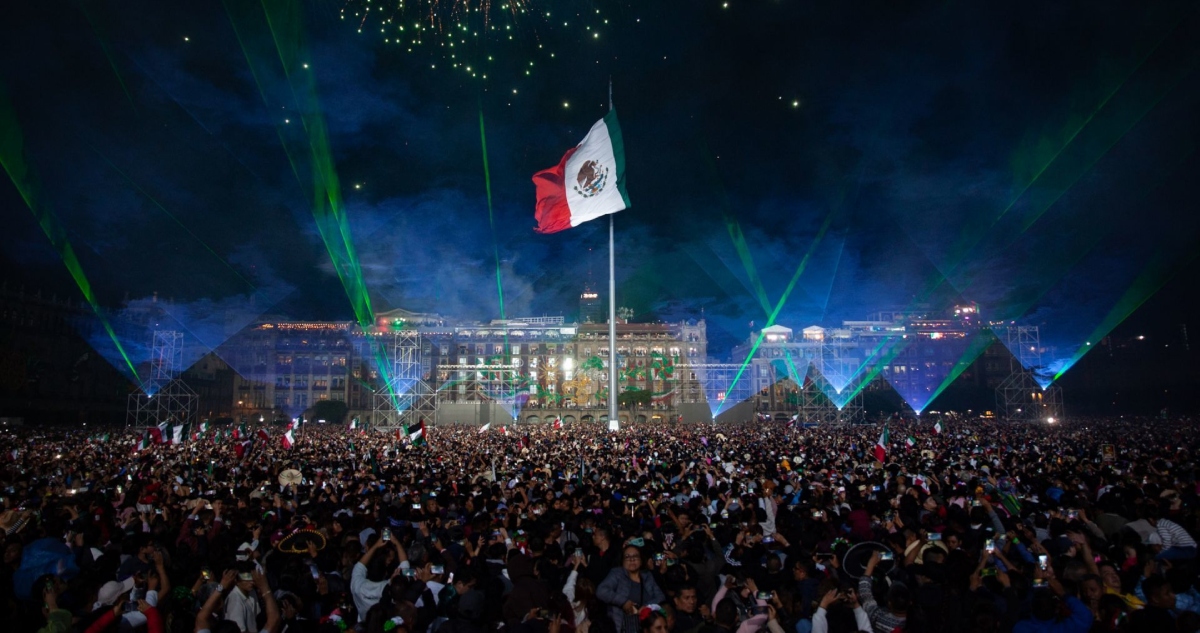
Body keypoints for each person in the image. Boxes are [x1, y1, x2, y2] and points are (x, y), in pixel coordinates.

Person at [598, 545, 667, 633]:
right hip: (622, 626)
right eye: (627, 557)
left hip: (644, 626)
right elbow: (601, 591)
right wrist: (623, 602)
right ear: (622, 561)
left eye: (635, 556)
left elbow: (660, 596)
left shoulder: (647, 576)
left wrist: (647, 606)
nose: (632, 559)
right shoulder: (616, 574)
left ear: (641, 561)